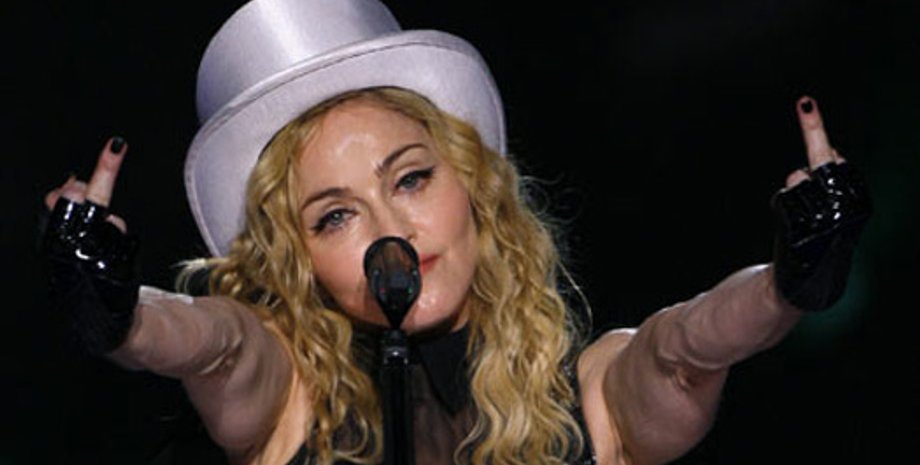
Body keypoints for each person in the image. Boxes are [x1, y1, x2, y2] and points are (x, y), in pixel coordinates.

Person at [40, 0, 871, 464]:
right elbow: (214, 345)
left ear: (470, 183)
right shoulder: (288, 401)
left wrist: (785, 285)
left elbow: (686, 345)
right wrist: (123, 315)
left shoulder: (594, 396)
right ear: (299, 261)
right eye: (335, 215)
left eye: (410, 178)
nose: (391, 231)